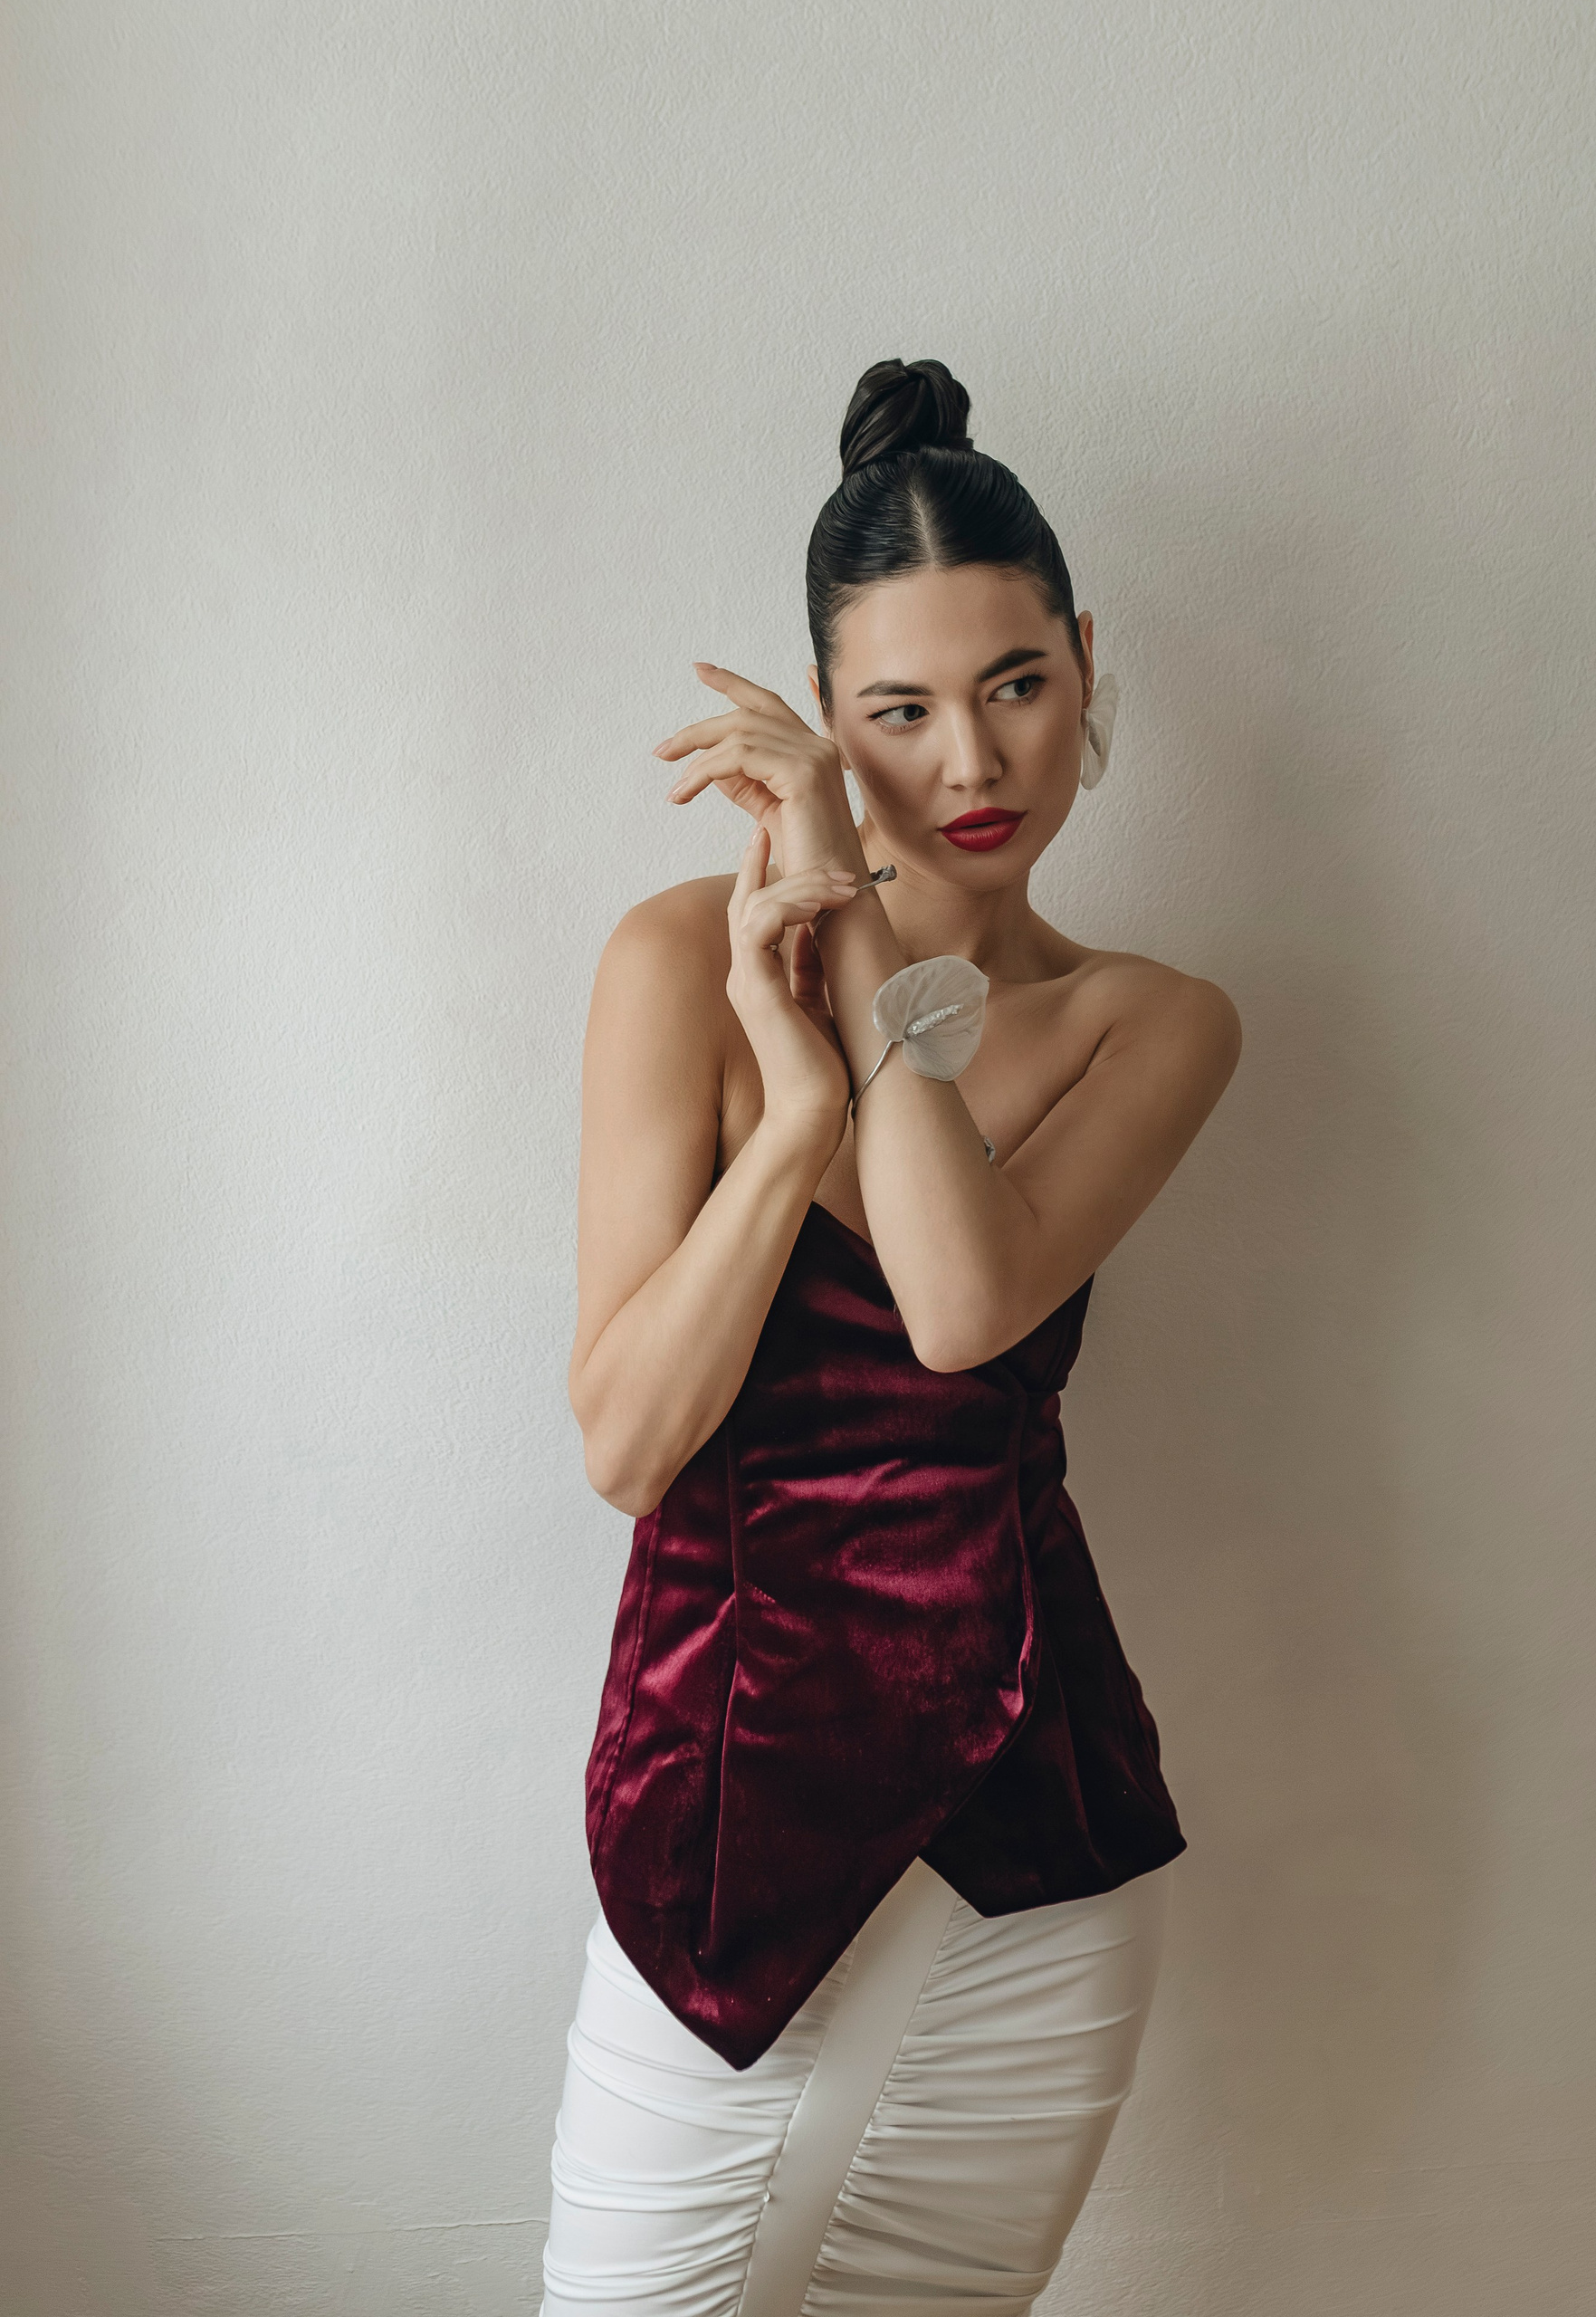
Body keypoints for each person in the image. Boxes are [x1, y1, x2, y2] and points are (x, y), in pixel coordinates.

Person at [538, 358, 1241, 2317]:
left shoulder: (1152, 1019)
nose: (972, 760)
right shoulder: (676, 963)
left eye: (1017, 683)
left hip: (1038, 1855)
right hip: (727, 1832)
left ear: (1086, 666)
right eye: (900, 713)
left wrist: (849, 920)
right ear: (825, 721)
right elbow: (626, 1448)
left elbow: (958, 1307)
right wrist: (787, 1131)